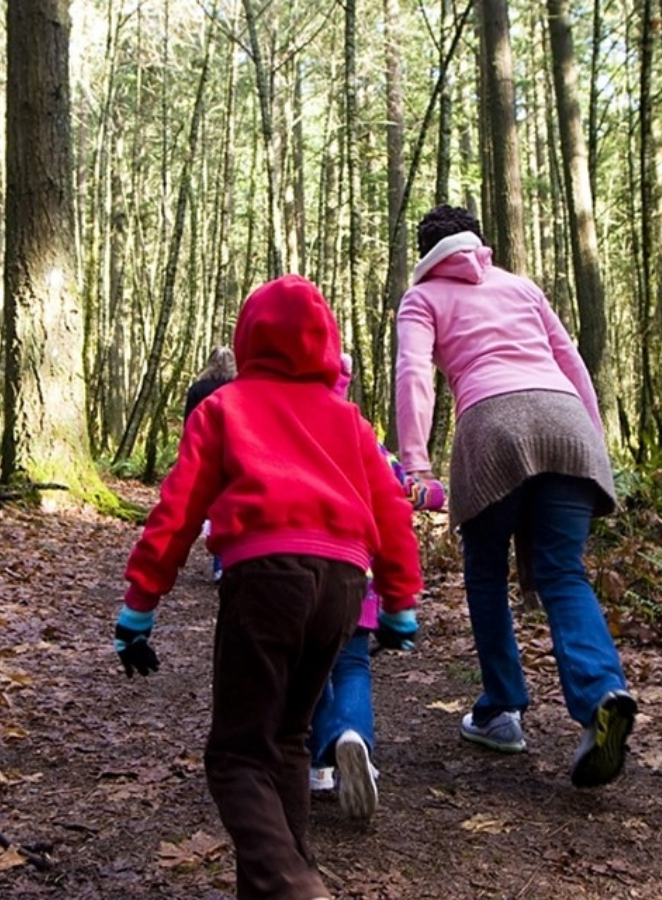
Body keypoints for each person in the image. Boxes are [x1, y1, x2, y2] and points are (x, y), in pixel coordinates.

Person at [113, 274, 424, 900]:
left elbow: (176, 511)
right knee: (286, 739)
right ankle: (287, 876)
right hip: (342, 585)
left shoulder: (223, 408)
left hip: (264, 580)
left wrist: (140, 605)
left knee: (236, 754)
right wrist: (399, 604)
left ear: (247, 340)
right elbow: (392, 510)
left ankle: (292, 886)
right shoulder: (349, 421)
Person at [393, 204, 636, 789]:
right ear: (480, 242)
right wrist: (594, 440)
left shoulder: (421, 297)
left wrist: (416, 465)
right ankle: (601, 694)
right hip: (566, 421)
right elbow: (570, 359)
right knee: (563, 573)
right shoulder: (522, 287)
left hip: (491, 425)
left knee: (484, 572)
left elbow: (414, 374)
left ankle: (502, 709)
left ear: (425, 252)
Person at [306, 354, 446, 824]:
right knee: (352, 666)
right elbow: (402, 489)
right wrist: (436, 492)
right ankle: (352, 736)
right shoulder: (361, 434)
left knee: (309, 669)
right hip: (356, 581)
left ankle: (319, 762)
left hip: (295, 574)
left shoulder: (280, 426)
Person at [184, 347, 237, 579]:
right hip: (232, 452)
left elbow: (189, 424)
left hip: (204, 452)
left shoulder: (197, 389)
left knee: (208, 506)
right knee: (228, 505)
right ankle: (223, 563)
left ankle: (217, 561)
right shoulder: (237, 388)